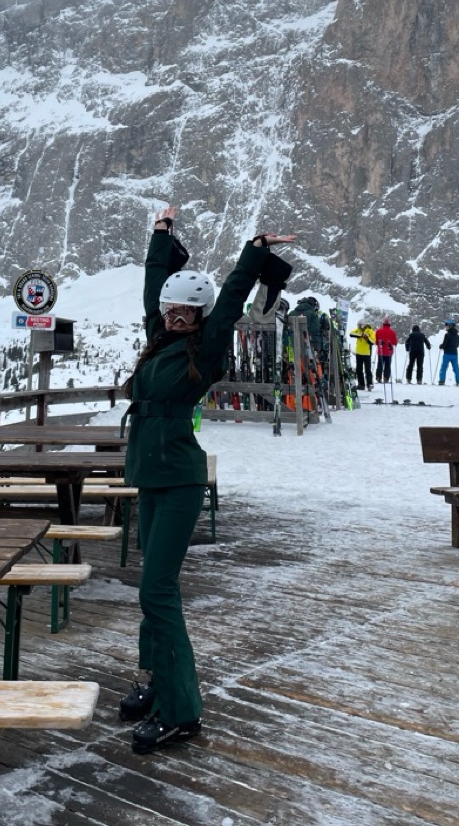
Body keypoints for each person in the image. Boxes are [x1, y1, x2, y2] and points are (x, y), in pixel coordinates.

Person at [119, 206, 295, 754]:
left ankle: (181, 712)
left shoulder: (208, 345)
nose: (176, 315)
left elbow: (234, 297)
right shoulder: (159, 337)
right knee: (154, 585)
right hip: (151, 477)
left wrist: (254, 251)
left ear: (199, 315)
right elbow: (153, 286)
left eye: (187, 310)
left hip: (179, 480)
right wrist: (161, 235)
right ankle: (156, 680)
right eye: (172, 307)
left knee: (157, 589)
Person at [349, 319, 376, 391]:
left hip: (367, 353)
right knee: (359, 370)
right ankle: (361, 384)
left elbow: (373, 341)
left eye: (359, 325)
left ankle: (369, 384)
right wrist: (360, 335)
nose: (358, 327)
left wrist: (367, 338)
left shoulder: (370, 331)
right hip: (359, 353)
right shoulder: (358, 330)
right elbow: (351, 333)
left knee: (367, 369)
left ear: (363, 325)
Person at [437, 320, 459, 386]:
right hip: (454, 354)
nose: (445, 327)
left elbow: (444, 344)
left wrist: (441, 346)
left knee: (444, 367)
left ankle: (442, 381)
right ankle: (458, 381)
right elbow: (457, 345)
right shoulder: (457, 336)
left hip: (447, 354)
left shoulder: (447, 335)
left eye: (446, 325)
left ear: (450, 326)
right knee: (456, 368)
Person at [374, 317, 397, 384]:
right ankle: (386, 378)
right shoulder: (392, 332)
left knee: (380, 364)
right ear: (389, 324)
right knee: (388, 365)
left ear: (383, 323)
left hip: (381, 350)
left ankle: (378, 377)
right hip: (389, 350)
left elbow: (376, 342)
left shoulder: (378, 331)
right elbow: (395, 342)